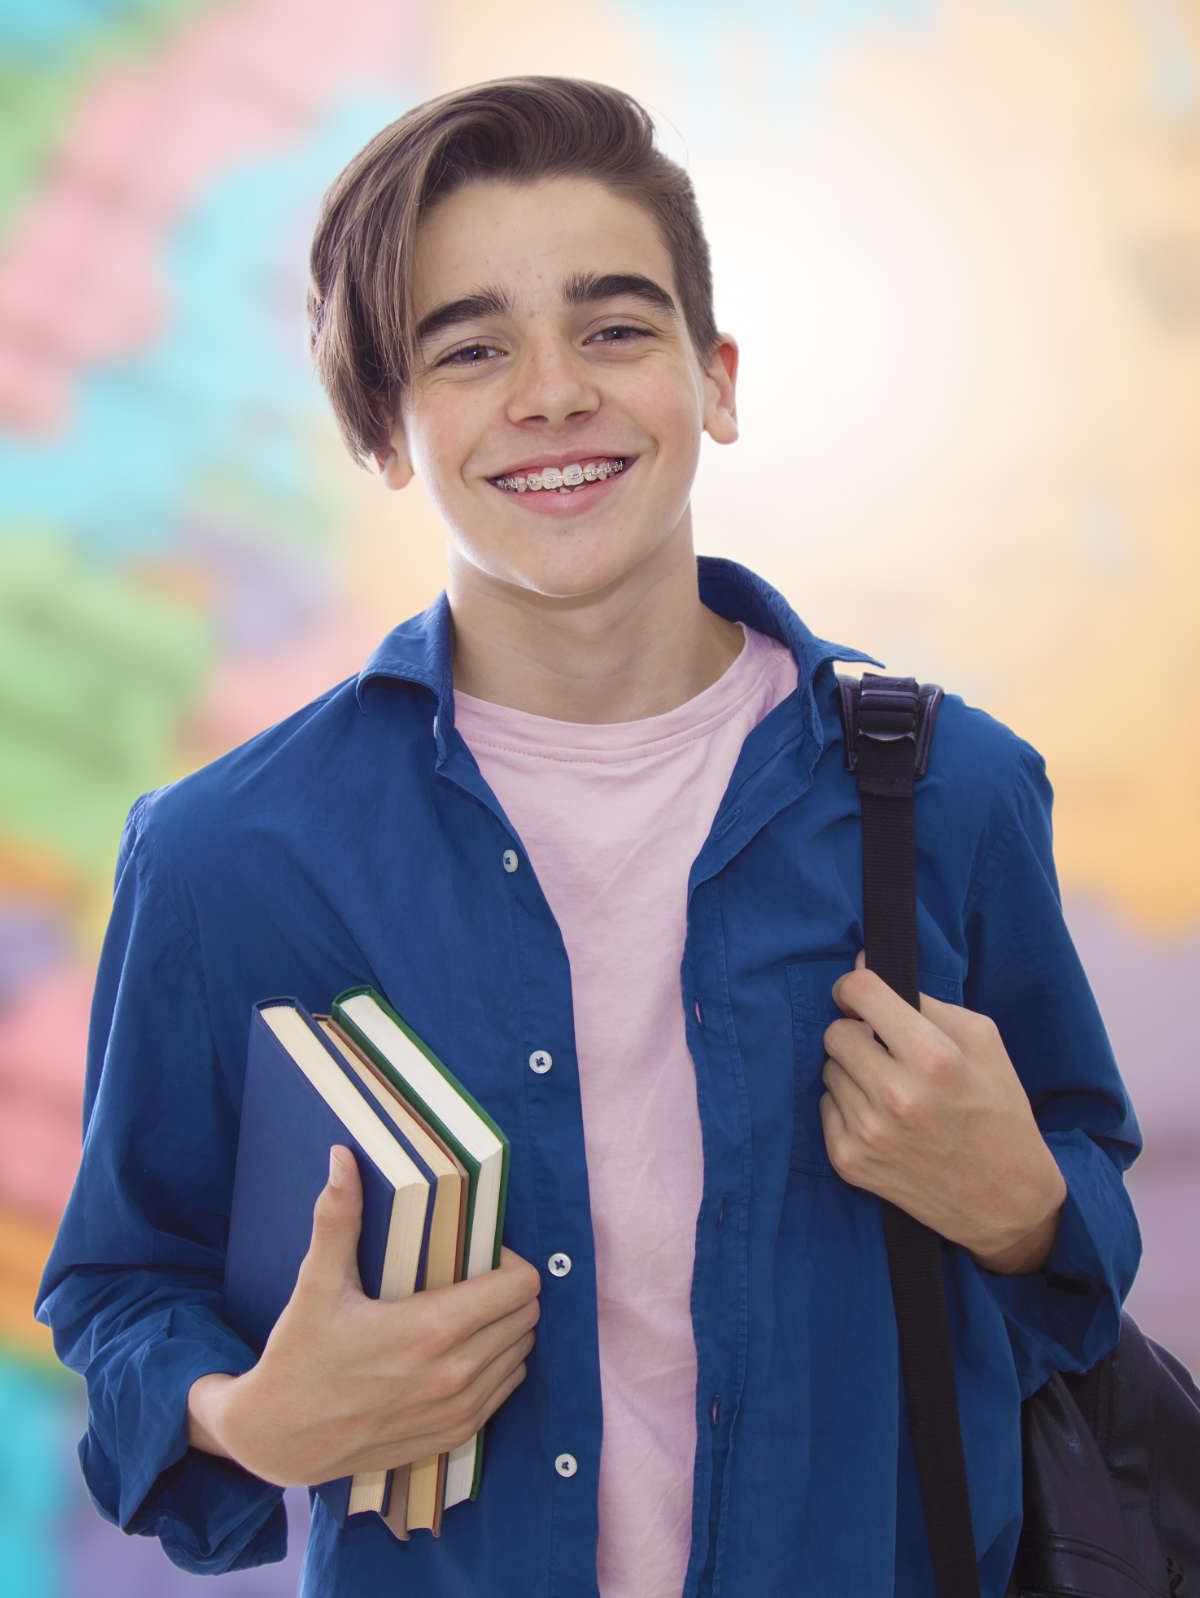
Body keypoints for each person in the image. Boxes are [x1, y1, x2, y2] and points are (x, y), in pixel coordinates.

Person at [35, 76, 1141, 1598]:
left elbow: (1081, 1212)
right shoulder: (229, 853)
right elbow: (119, 1286)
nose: (552, 391)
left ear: (718, 379)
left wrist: (1027, 1207)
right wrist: (251, 1413)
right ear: (384, 425)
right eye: (470, 347)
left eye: (615, 327)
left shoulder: (953, 796)